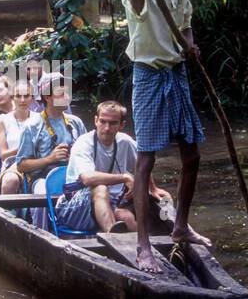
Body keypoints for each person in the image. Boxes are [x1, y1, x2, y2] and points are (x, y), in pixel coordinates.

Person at [119, 0, 209, 273]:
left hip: (177, 72)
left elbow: (185, 25)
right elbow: (139, 10)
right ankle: (142, 245)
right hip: (149, 74)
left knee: (192, 155)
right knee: (146, 160)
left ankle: (181, 227)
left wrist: (190, 46)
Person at [54, 100, 172, 235]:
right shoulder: (84, 143)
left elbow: (142, 164)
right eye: (103, 121)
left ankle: (159, 241)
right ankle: (112, 236)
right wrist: (125, 177)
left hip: (109, 205)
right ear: (96, 120)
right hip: (73, 209)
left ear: (122, 125)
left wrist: (153, 188)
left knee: (152, 204)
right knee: (100, 188)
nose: (106, 128)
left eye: (113, 123)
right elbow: (87, 178)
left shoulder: (125, 142)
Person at [14, 72, 85, 205]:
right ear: (47, 96)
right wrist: (49, 159)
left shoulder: (76, 123)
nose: (67, 97)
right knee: (43, 192)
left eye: (67, 93)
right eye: (61, 93)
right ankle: (40, 226)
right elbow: (21, 165)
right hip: (42, 179)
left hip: (74, 177)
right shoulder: (32, 126)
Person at [0, 83, 39, 194]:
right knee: (10, 180)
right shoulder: (3, 120)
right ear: (12, 97)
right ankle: (6, 210)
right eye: (18, 96)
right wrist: (25, 147)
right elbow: (3, 154)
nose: (22, 100)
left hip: (35, 161)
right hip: (13, 162)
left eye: (26, 96)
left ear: (32, 98)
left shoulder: (40, 118)